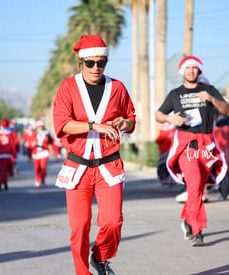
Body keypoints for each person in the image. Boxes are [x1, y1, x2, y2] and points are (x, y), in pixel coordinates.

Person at [53, 34, 136, 275]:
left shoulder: (117, 87)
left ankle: (100, 257)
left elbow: (132, 119)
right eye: (90, 63)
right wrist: (92, 125)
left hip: (108, 167)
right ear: (81, 63)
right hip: (77, 168)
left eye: (101, 62)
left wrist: (125, 123)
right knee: (79, 227)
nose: (96, 67)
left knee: (113, 221)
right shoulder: (68, 87)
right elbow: (62, 124)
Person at [155, 55, 229, 247]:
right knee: (196, 182)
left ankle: (187, 220)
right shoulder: (175, 94)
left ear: (199, 70)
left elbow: (228, 110)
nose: (191, 71)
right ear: (182, 71)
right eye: (187, 68)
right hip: (187, 145)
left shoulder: (209, 90)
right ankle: (198, 230)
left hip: (206, 144)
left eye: (194, 68)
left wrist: (212, 99)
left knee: (196, 188)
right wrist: (170, 119)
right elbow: (158, 114)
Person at [0, 118, 16, 191]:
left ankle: (5, 184)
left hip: (0, 154)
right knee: (4, 170)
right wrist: (14, 154)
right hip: (7, 153)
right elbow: (12, 145)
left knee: (3, 169)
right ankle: (0, 184)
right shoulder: (9, 134)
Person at [31, 119, 50, 188]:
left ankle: (42, 180)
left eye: (41, 126)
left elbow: (51, 142)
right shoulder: (34, 133)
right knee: (37, 168)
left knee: (43, 168)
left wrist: (54, 152)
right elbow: (29, 143)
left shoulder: (47, 133)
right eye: (39, 126)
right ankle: (37, 180)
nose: (40, 127)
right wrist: (32, 144)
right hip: (36, 153)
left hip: (44, 152)